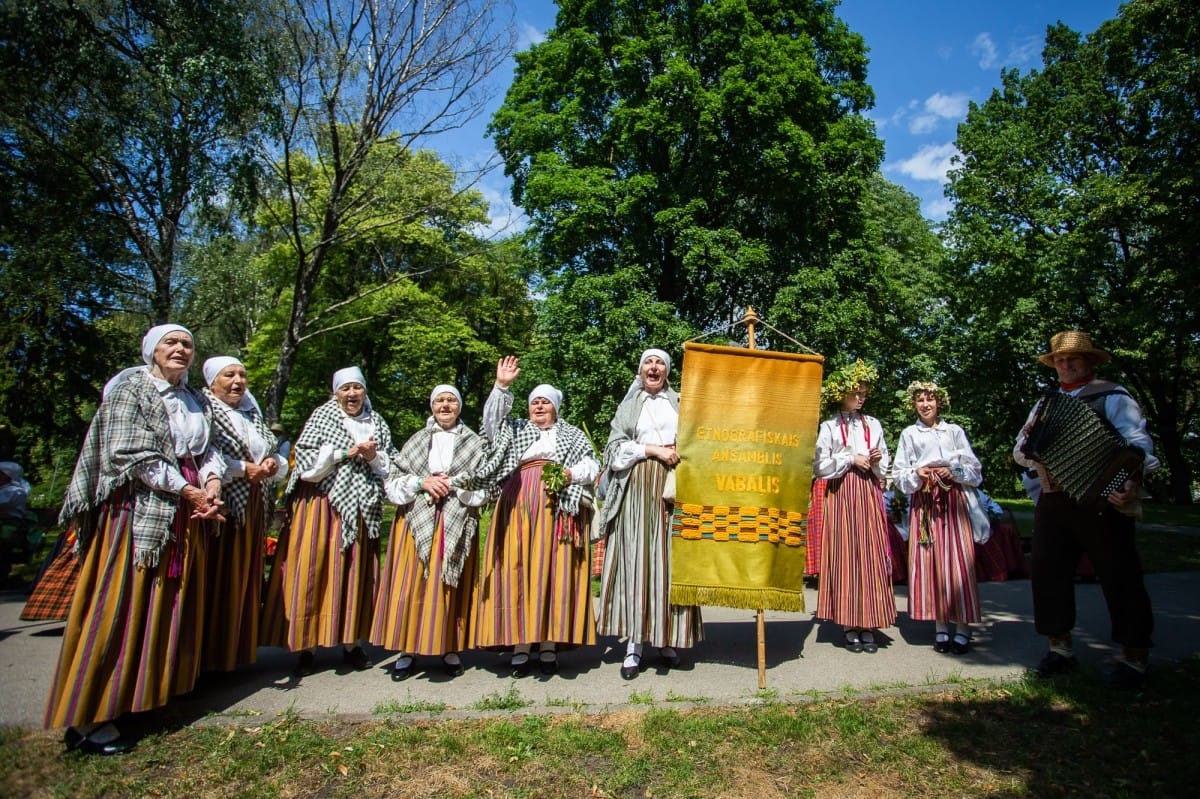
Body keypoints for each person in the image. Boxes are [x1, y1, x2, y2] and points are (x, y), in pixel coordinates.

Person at [45, 324, 226, 755]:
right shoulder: (131, 389)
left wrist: (213, 480)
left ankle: (144, 698)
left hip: (184, 509)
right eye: (171, 343)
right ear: (151, 351)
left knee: (164, 605)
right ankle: (90, 717)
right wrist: (188, 489)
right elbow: (129, 453)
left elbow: (208, 447)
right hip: (136, 512)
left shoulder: (195, 398)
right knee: (122, 603)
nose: (180, 350)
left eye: (187, 344)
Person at [1013, 331, 1160, 689]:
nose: (1066, 365)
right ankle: (1059, 649)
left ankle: (1134, 656)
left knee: (1119, 571)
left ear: (1091, 361)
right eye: (1060, 360)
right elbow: (1019, 449)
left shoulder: (1112, 395)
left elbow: (1138, 443)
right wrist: (1030, 450)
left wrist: (1130, 480)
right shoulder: (1045, 404)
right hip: (1054, 498)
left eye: (1074, 359)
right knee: (1047, 571)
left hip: (1102, 498)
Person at [455, 356, 598, 676]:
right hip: (517, 501)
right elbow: (491, 422)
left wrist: (570, 474)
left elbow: (592, 465)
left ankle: (548, 642)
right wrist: (502, 386)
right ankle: (520, 644)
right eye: (535, 402)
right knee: (516, 567)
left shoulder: (572, 435)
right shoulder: (516, 430)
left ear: (556, 409)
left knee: (553, 568)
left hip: (559, 506)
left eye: (545, 403)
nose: (539, 407)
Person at [261, 366, 396, 676]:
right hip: (322, 505)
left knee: (353, 570)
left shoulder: (376, 422)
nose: (351, 394)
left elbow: (389, 464)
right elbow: (305, 463)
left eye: (356, 388)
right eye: (345, 389)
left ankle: (351, 642)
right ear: (335, 393)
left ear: (364, 391)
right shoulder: (322, 417)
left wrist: (373, 455)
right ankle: (306, 646)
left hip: (361, 506)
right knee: (314, 569)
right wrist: (343, 453)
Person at [371, 384, 491, 680]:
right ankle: (407, 649)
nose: (445, 406)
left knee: (449, 582)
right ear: (432, 406)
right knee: (411, 583)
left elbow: (484, 483)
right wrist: (422, 483)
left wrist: (453, 484)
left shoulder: (474, 442)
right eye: (440, 401)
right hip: (416, 519)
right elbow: (394, 480)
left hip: (456, 519)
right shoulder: (416, 440)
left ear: (459, 406)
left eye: (451, 400)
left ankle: (449, 646)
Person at [595, 349, 702, 679]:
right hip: (638, 489)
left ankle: (666, 638)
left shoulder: (681, 403)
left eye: (660, 364)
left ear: (667, 372)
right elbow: (613, 452)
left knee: (670, 563)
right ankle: (635, 645)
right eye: (648, 363)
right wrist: (653, 450)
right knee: (638, 563)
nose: (653, 368)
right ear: (640, 370)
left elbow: (700, 441)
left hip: (675, 488)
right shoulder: (628, 406)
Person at [200, 356, 288, 673]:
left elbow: (272, 452)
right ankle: (205, 655)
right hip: (221, 503)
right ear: (212, 381)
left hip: (253, 503)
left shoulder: (251, 414)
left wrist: (274, 464)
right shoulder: (205, 409)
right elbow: (201, 452)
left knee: (243, 575)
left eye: (242, 375)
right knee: (218, 575)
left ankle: (232, 653)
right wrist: (241, 470)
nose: (238, 381)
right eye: (229, 375)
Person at [891, 381, 984, 655]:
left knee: (957, 562)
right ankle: (941, 626)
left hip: (953, 503)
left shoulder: (954, 432)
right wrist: (917, 474)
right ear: (914, 404)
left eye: (930, 399)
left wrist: (952, 471)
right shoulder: (909, 434)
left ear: (939, 402)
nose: (925, 404)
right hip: (925, 502)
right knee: (932, 562)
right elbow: (899, 474)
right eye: (920, 400)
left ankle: (964, 626)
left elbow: (974, 471)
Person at [811, 360, 895, 653]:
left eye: (864, 393)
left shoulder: (873, 424)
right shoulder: (830, 426)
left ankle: (869, 622)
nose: (861, 397)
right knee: (846, 556)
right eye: (855, 392)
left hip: (868, 492)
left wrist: (875, 462)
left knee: (870, 554)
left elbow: (886, 464)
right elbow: (819, 466)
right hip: (842, 494)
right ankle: (849, 624)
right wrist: (849, 459)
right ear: (842, 393)